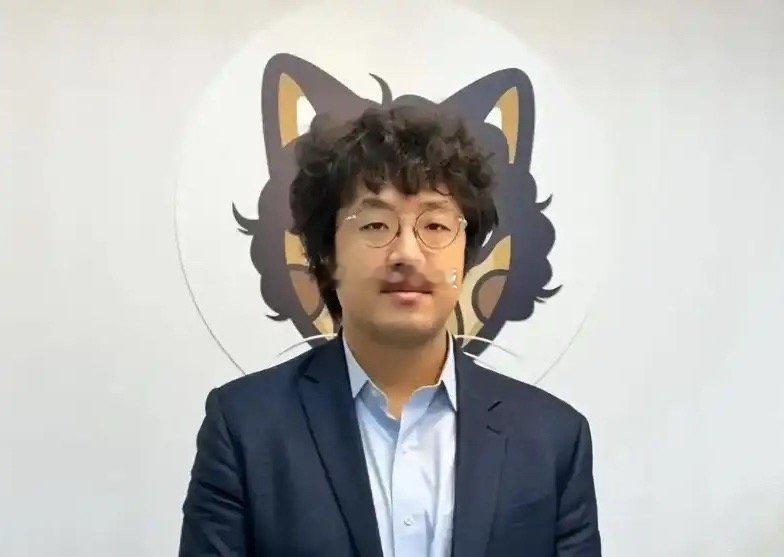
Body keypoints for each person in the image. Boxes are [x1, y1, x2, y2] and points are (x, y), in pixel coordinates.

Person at [178, 105, 601, 556]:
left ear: (466, 256)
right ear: (328, 254)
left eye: (435, 225)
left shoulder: (553, 439)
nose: (408, 254)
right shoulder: (245, 429)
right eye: (376, 224)